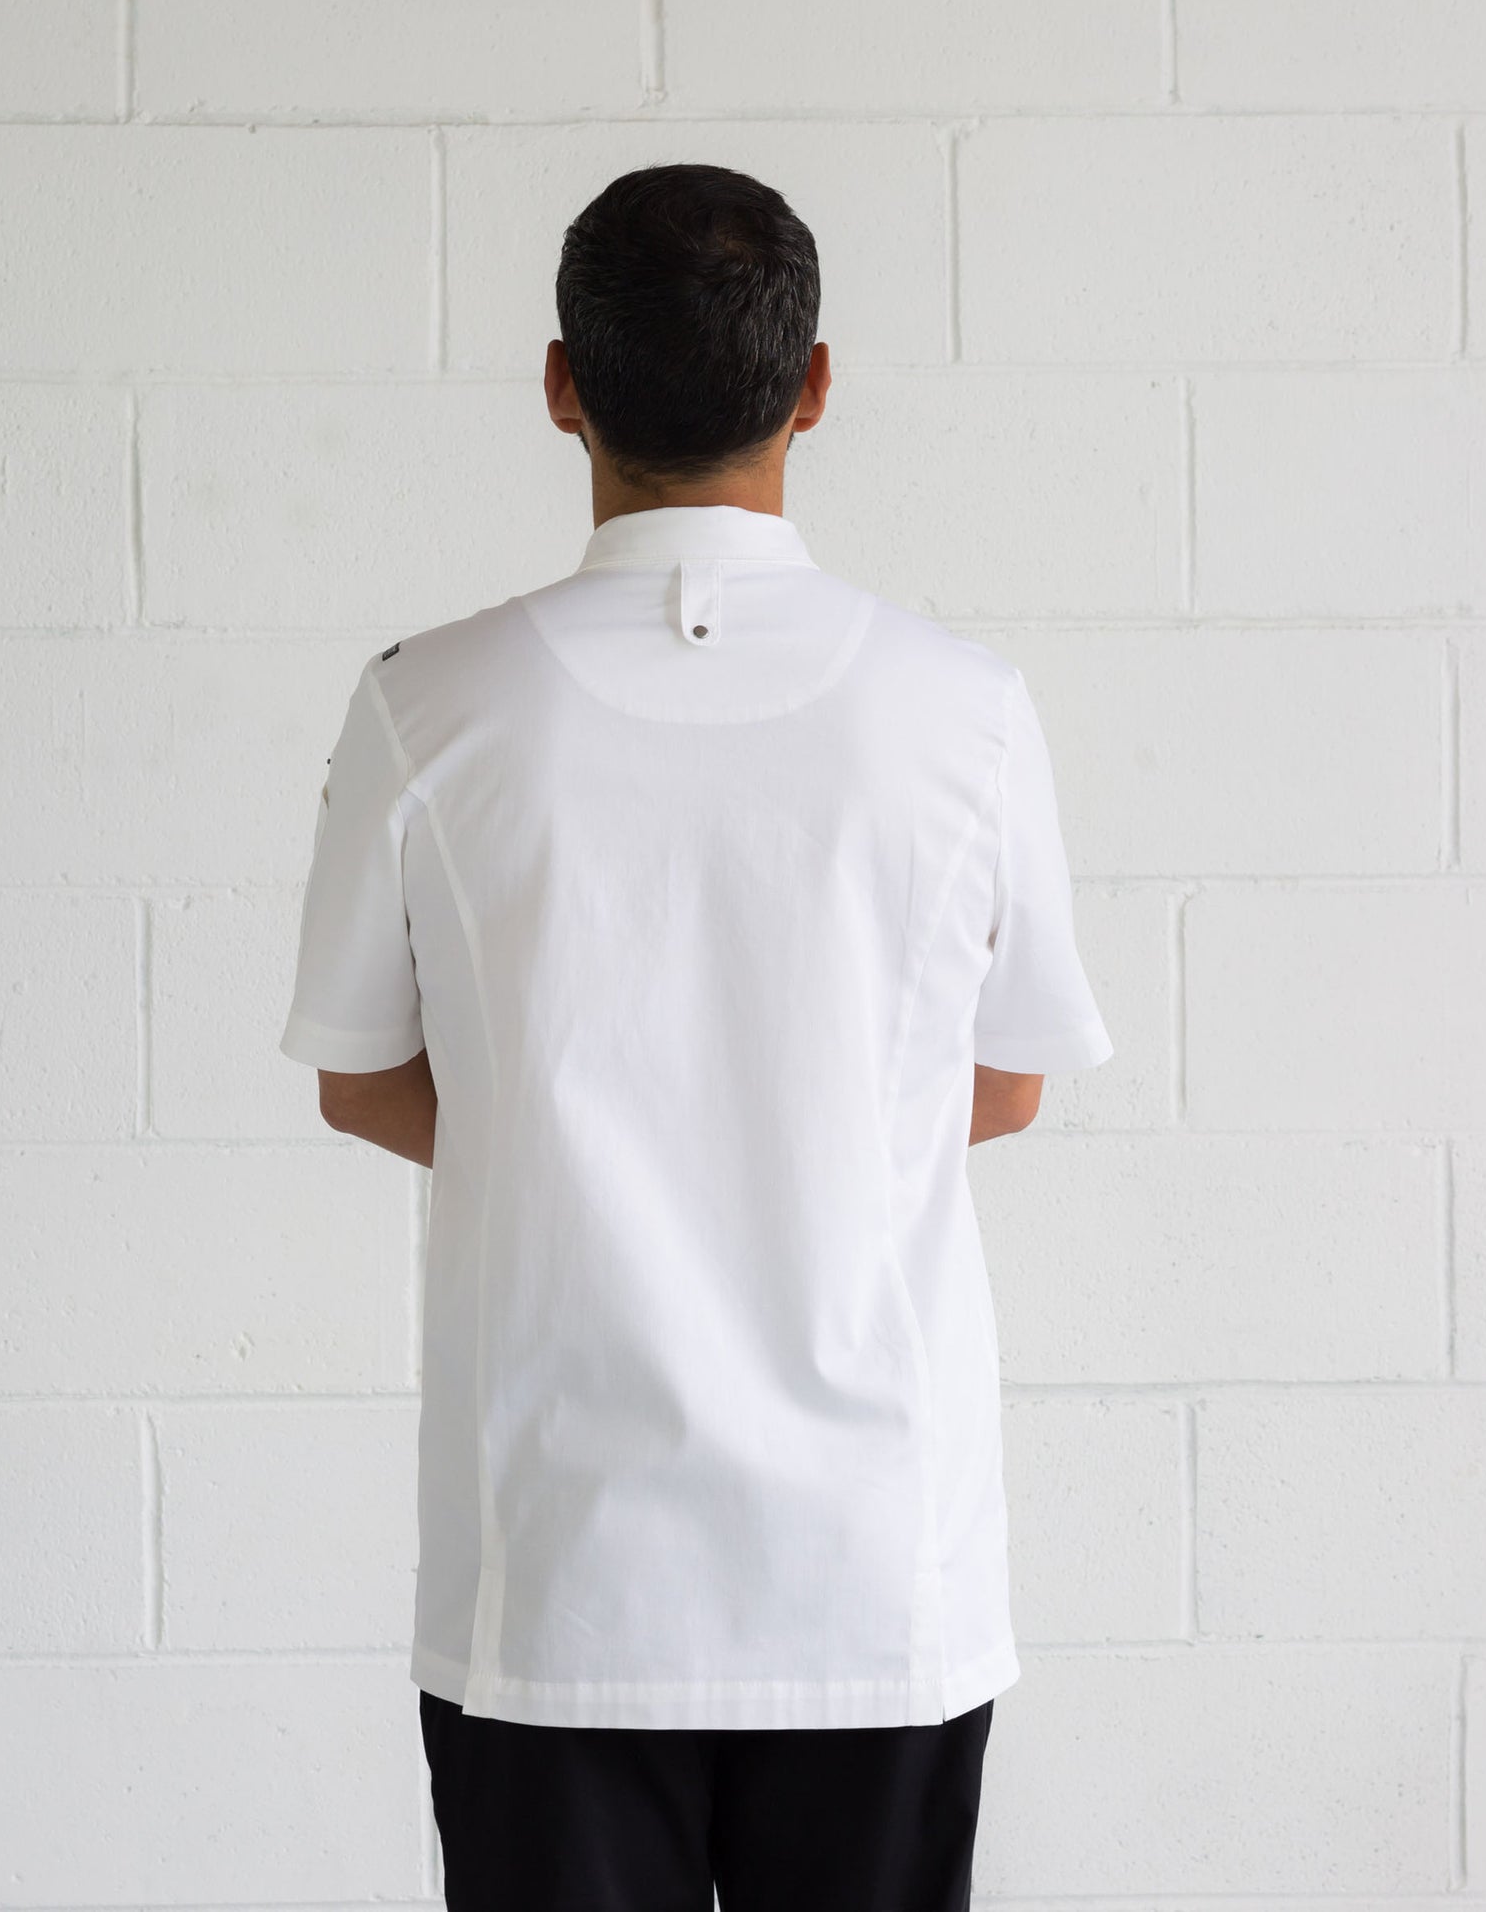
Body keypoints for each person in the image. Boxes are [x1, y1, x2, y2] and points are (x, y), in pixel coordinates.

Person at [279, 163, 1113, 1912]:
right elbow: (1009, 1078)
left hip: (558, 1570)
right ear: (813, 384)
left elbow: (361, 1076)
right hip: (874, 1567)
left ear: (559, 385)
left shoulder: (429, 702)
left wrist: (568, 1131)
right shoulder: (962, 711)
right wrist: (805, 1128)